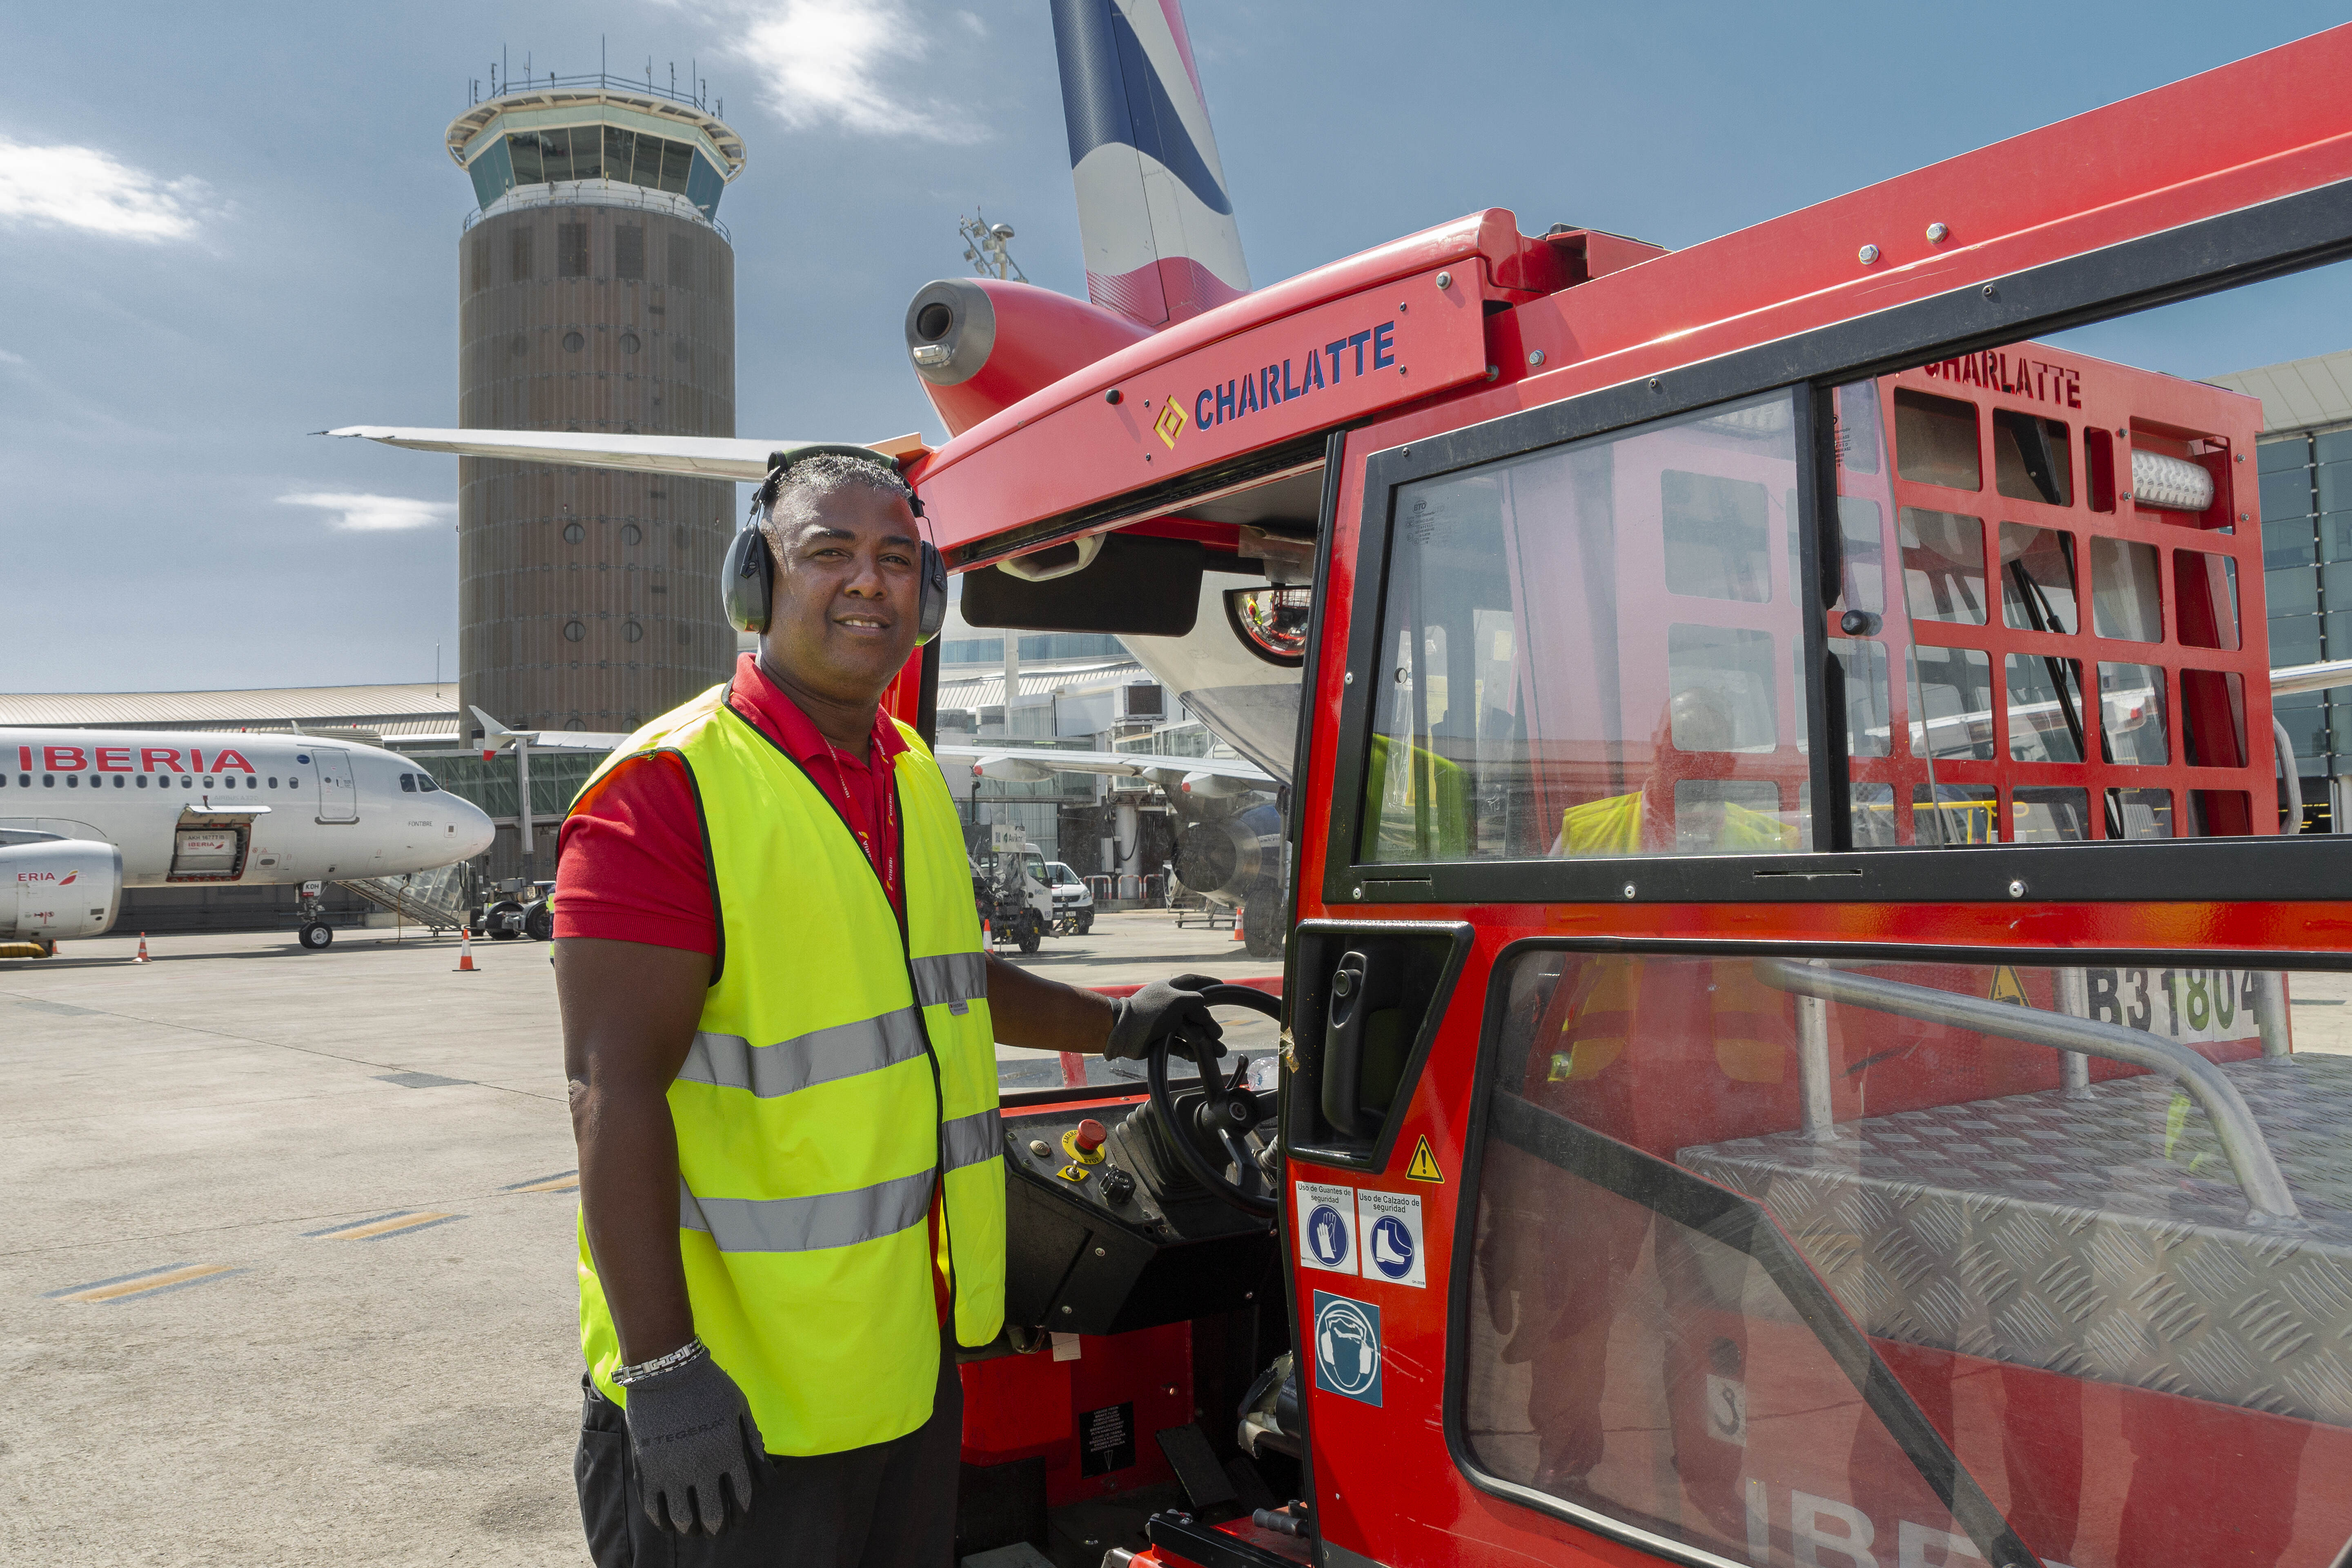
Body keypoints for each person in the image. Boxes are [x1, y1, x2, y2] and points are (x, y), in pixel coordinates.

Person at [553, 450, 1224, 1567]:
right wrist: (665, 1375)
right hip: (736, 1407)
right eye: (828, 554)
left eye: (898, 560)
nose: (870, 584)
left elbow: (947, 981)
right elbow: (610, 1092)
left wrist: (1116, 1024)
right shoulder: (663, 793)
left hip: (899, 1376)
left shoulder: (906, 768)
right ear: (755, 584)